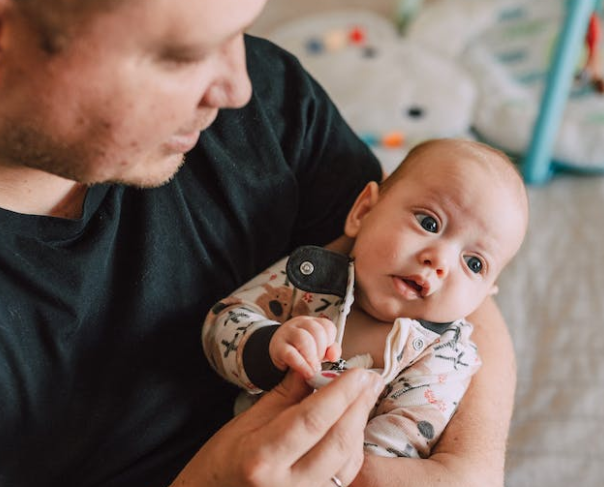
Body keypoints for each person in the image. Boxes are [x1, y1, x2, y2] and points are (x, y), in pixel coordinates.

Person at [0, 1, 517, 486]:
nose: (238, 86)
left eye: (240, 30)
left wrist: (465, 467)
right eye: (184, 55)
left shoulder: (269, 100)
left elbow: (431, 250)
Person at [203, 138, 528, 463]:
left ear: (485, 294)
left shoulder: (441, 357)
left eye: (474, 263)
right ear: (363, 211)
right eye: (429, 223)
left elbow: (398, 445)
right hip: (234, 457)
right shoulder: (310, 278)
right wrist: (268, 345)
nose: (440, 260)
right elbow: (221, 322)